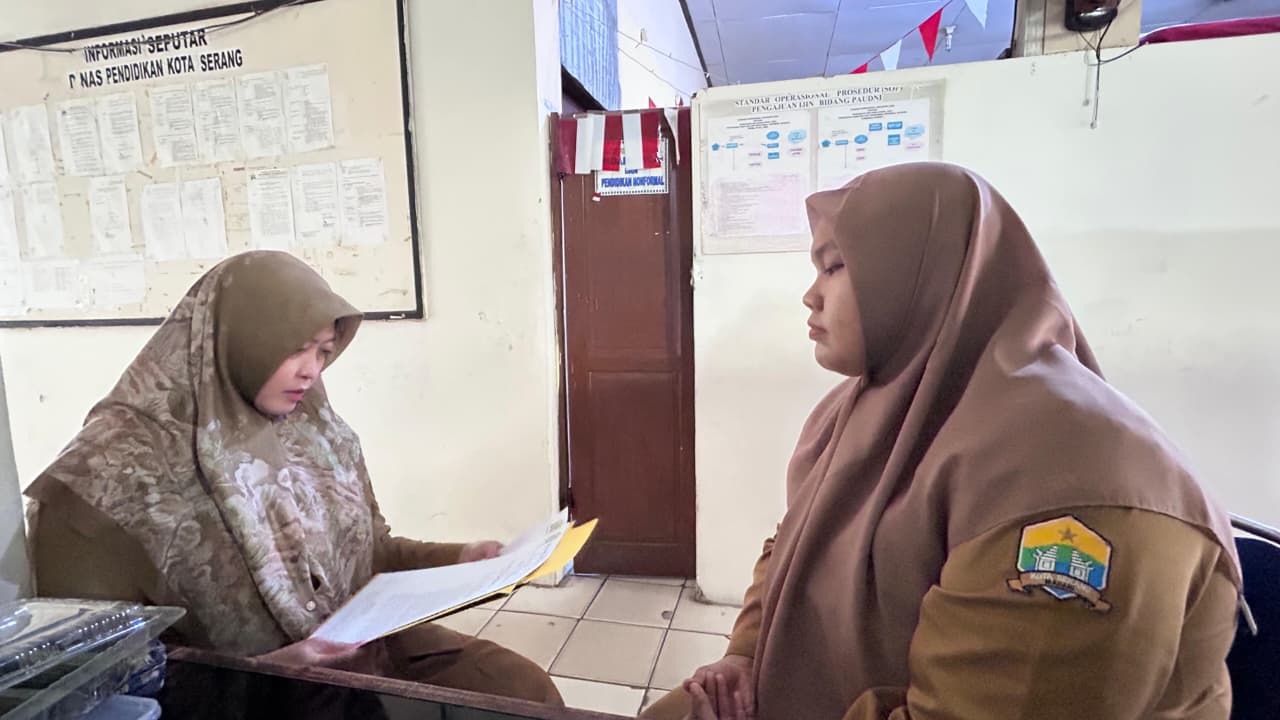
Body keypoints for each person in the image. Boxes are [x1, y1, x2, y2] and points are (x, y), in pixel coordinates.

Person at [643, 162, 1242, 720]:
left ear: (924, 275)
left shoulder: (1068, 479)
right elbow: (793, 540)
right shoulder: (873, 405)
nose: (811, 295)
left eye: (835, 267)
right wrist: (746, 655)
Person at [26, 251, 562, 705]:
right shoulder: (106, 479)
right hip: (245, 697)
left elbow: (370, 552)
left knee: (523, 690)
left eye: (323, 351)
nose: (311, 370)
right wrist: (269, 671)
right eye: (294, 347)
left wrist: (462, 558)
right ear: (239, 338)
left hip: (358, 651)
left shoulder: (311, 429)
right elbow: (92, 678)